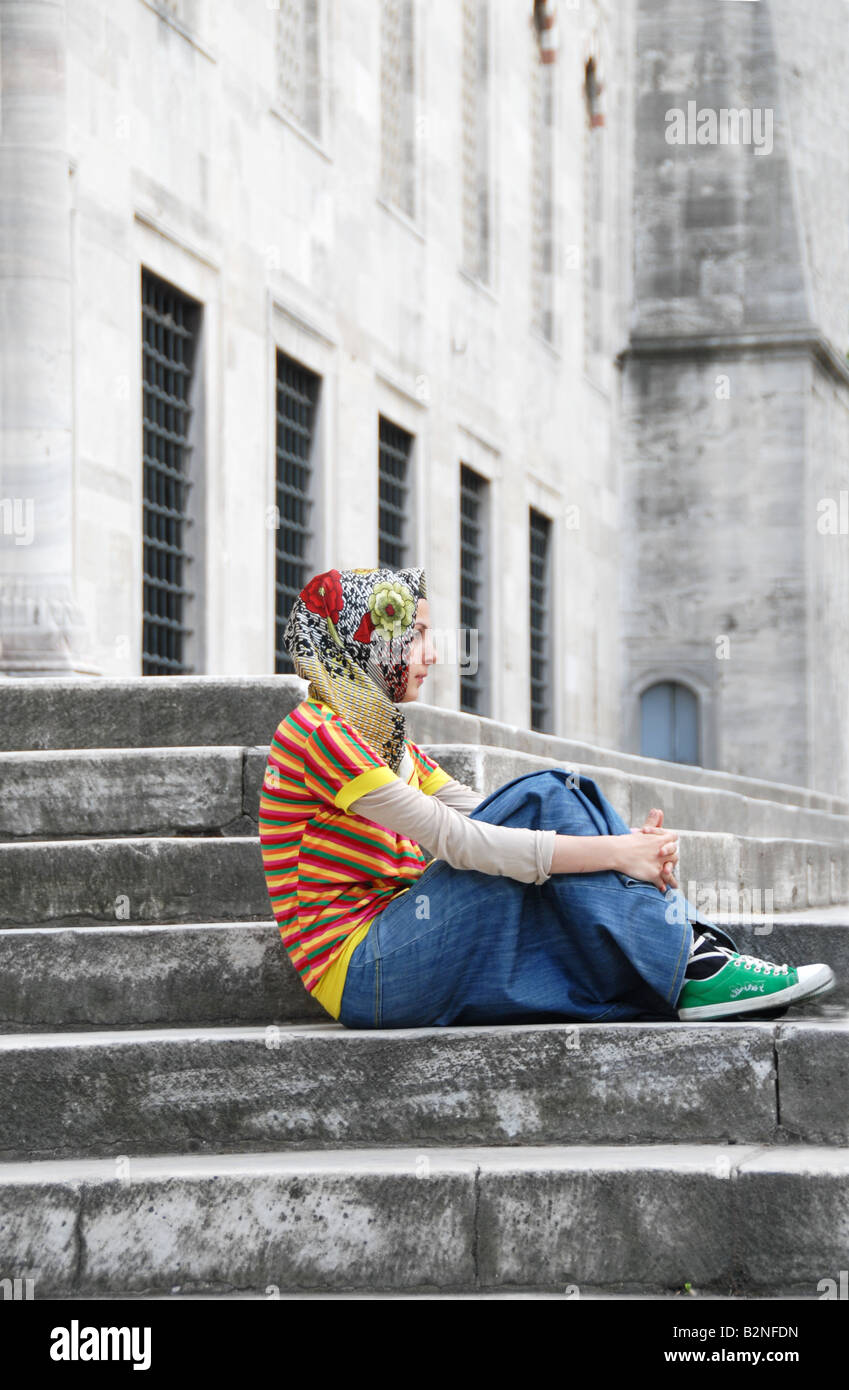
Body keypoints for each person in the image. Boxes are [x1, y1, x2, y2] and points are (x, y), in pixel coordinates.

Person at [259, 564, 835, 1029]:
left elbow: (486, 811)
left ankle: (691, 958)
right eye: (415, 638)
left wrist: (621, 844)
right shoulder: (318, 734)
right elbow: (459, 840)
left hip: (405, 939)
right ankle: (692, 963)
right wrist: (617, 855)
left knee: (558, 795)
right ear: (367, 641)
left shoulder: (385, 739)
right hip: (368, 971)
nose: (433, 655)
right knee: (548, 797)